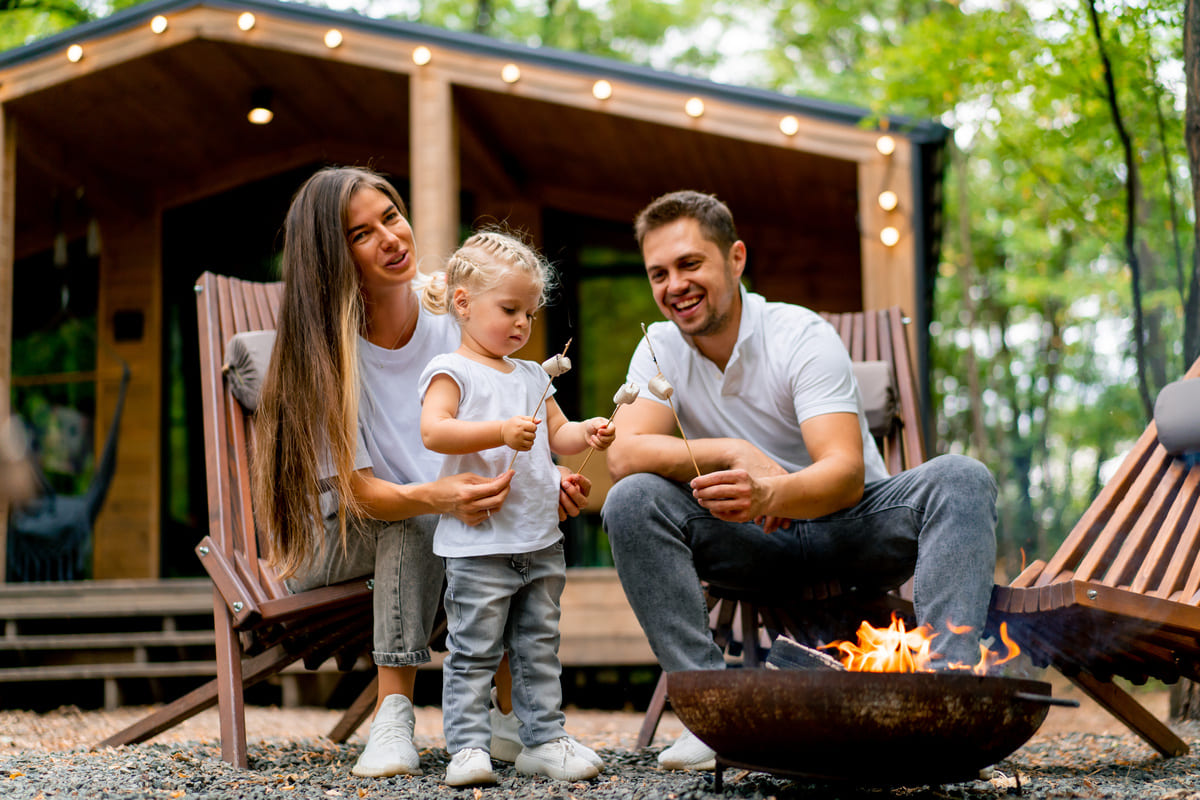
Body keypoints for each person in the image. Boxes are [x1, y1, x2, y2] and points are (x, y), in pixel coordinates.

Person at [601, 190, 998, 771]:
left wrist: (773, 491)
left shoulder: (799, 334)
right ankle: (715, 716)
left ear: (735, 259)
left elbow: (842, 475)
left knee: (961, 476)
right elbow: (624, 455)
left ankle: (945, 708)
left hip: (853, 531)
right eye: (658, 274)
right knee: (631, 498)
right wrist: (737, 452)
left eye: (690, 264)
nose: (674, 286)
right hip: (748, 543)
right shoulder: (658, 347)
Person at [251, 167, 592, 778]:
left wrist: (543, 481)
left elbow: (504, 421)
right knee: (417, 519)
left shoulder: (454, 314)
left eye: (391, 215)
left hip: (445, 522)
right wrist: (438, 495)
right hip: (336, 539)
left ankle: (515, 724)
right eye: (361, 233)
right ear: (332, 258)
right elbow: (362, 494)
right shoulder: (325, 359)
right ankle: (393, 717)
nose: (390, 237)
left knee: (482, 527)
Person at [418, 230, 613, 786]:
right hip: (479, 546)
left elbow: (561, 435)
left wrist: (589, 430)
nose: (523, 323)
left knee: (538, 648)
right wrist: (499, 429)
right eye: (510, 309)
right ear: (463, 303)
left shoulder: (532, 375)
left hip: (539, 542)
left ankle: (544, 739)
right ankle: (467, 747)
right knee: (474, 649)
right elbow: (436, 432)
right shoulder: (450, 371)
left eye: (529, 311)